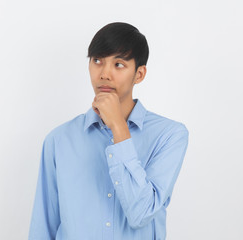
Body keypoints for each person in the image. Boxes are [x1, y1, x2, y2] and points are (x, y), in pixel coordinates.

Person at [28, 22, 189, 240]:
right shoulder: (59, 140)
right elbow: (43, 227)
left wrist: (119, 129)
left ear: (139, 74)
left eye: (119, 64)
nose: (104, 74)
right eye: (97, 61)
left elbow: (141, 214)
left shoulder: (169, 136)